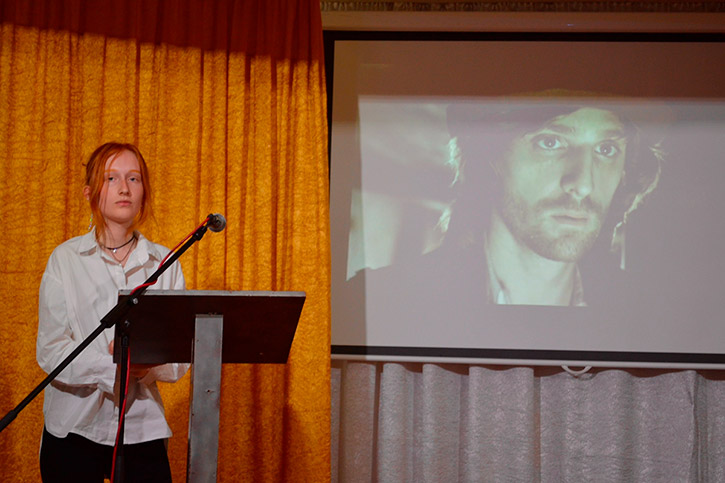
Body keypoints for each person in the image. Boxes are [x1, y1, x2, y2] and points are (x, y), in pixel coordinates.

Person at [36, 142, 187, 482]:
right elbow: (50, 350)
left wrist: (149, 365)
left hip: (141, 427)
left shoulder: (165, 262)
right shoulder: (65, 259)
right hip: (73, 427)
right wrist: (115, 363)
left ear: (144, 191)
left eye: (134, 178)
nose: (124, 188)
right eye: (111, 178)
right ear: (90, 192)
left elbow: (180, 357)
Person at [444, 92, 668, 306]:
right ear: (490, 156)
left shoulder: (648, 313)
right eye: (549, 142)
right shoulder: (425, 296)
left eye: (606, 149)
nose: (583, 185)